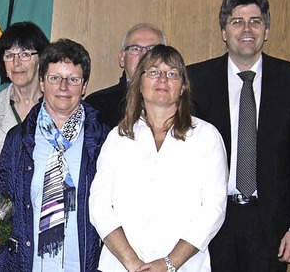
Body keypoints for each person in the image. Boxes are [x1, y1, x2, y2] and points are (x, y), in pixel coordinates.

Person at [187, 0, 290, 271]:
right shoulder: (197, 78)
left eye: (255, 21)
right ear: (224, 31)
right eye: (237, 21)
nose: (247, 29)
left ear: (266, 30)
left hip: (271, 224)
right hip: (213, 220)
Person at [89, 45, 228, 272]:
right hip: (122, 267)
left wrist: (169, 263)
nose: (162, 79)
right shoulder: (118, 138)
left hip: (185, 267)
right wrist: (132, 264)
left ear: (183, 87)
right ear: (139, 84)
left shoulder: (206, 137)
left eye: (172, 73)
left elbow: (214, 208)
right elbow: (99, 205)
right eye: (153, 72)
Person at [0, 38, 109, 271]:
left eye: (73, 79)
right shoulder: (19, 138)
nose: (63, 88)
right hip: (29, 264)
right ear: (43, 83)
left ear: (84, 86)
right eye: (55, 78)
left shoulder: (103, 140)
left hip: (85, 264)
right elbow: (0, 211)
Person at [0, 21, 49, 156]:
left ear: (41, 59)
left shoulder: (59, 106)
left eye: (25, 54)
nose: (16, 63)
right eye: (9, 55)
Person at [84, 23, 167, 128]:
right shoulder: (97, 106)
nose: (144, 56)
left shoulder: (183, 107)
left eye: (152, 49)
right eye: (135, 49)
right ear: (122, 58)